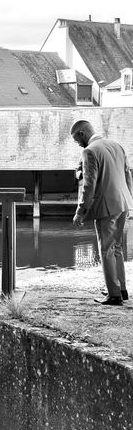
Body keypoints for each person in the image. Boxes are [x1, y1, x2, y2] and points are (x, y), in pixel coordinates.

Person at [71, 120, 133, 305]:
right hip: (123, 203)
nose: (78, 144)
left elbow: (89, 186)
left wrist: (80, 212)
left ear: (82, 134)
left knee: (105, 249)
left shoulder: (89, 151)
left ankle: (113, 295)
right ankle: (121, 289)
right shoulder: (116, 145)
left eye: (76, 140)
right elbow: (128, 174)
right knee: (117, 248)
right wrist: (129, 200)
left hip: (106, 207)